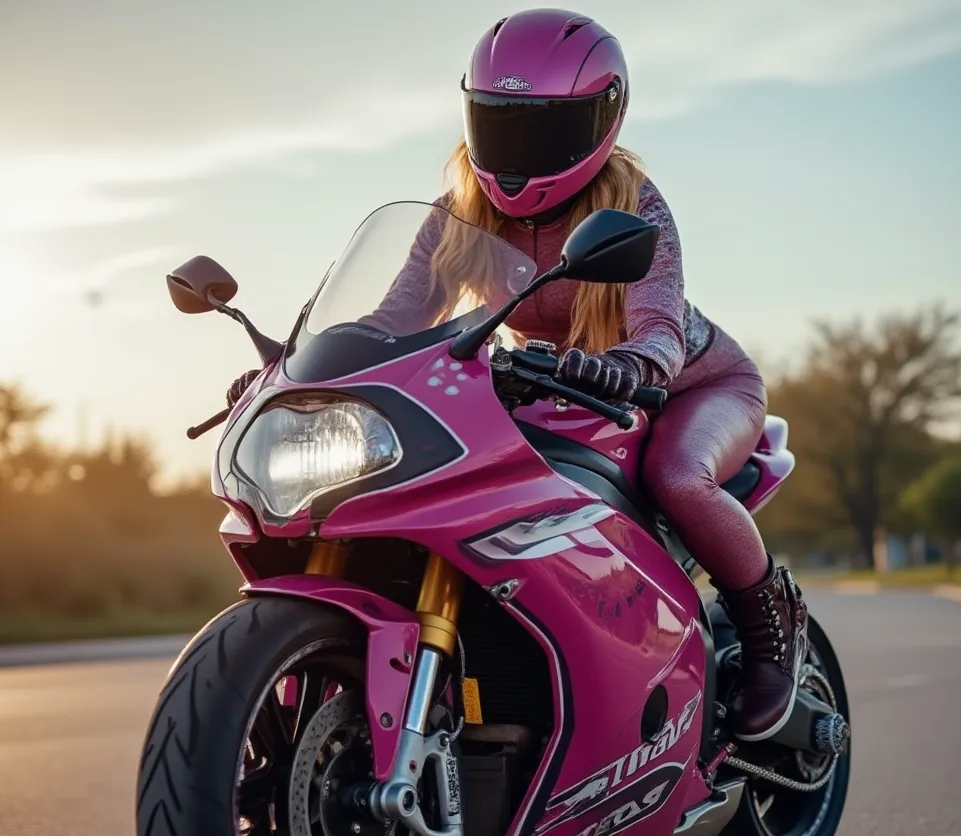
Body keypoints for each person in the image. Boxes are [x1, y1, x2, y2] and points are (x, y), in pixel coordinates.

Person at [226, 9, 808, 743]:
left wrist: (628, 367)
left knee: (679, 477)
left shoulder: (636, 205)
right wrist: (300, 373)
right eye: (502, 123)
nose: (518, 149)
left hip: (690, 386)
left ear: (604, 119)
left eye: (546, 129)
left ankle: (769, 631)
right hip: (567, 386)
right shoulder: (458, 211)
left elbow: (657, 330)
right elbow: (395, 317)